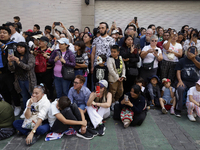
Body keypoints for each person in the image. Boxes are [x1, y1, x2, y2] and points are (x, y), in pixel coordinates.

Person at [7, 42, 36, 111]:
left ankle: (35, 109)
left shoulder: (30, 56)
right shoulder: (16, 56)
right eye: (18, 47)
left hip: (29, 79)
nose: (19, 49)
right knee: (24, 96)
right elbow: (12, 69)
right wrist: (10, 62)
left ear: (25, 48)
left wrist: (18, 62)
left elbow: (29, 67)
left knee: (33, 95)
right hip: (19, 79)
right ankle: (26, 110)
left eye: (21, 47)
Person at [0, 26, 21, 116]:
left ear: (9, 35)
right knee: (3, 90)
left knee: (12, 89)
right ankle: (9, 105)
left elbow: (11, 56)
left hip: (9, 72)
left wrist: (2, 46)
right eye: (0, 32)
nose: (1, 34)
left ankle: (17, 105)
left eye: (4, 32)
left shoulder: (12, 44)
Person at [175, 46, 200, 117]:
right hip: (184, 81)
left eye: (192, 51)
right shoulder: (182, 60)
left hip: (195, 82)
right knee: (180, 88)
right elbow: (178, 71)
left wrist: (193, 59)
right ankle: (178, 109)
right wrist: (180, 80)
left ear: (196, 53)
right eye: (189, 51)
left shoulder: (198, 59)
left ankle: (195, 109)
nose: (190, 53)